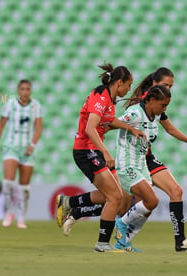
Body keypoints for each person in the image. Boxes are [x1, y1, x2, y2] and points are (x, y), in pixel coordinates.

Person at [64, 67, 187, 252]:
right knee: (121, 203)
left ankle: (178, 240)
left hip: (146, 159)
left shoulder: (160, 104)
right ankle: (82, 213)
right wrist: (108, 144)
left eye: (171, 86)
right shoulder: (143, 106)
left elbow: (169, 128)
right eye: (165, 85)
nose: (169, 89)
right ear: (154, 84)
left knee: (169, 193)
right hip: (130, 161)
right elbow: (109, 123)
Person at [55, 63, 146, 253]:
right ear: (119, 83)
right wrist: (105, 151)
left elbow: (109, 121)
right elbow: (90, 128)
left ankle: (69, 203)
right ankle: (102, 243)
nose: (129, 89)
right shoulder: (101, 96)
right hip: (85, 150)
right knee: (115, 196)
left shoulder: (110, 100)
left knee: (116, 196)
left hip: (93, 150)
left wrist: (130, 128)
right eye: (128, 85)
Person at [112, 85, 172, 252]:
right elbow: (111, 122)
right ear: (151, 100)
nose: (164, 109)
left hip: (141, 165)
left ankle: (123, 243)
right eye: (162, 105)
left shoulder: (155, 116)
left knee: (147, 208)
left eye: (167, 106)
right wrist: (131, 129)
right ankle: (121, 223)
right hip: (127, 165)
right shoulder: (135, 113)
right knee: (152, 200)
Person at [0, 79, 42, 229]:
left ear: (30, 91)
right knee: (8, 184)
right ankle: (8, 213)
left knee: (24, 187)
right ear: (18, 90)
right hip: (11, 146)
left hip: (27, 149)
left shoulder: (35, 106)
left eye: (27, 89)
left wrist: (32, 145)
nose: (25, 92)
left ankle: (21, 217)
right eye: (22, 89)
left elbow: (38, 128)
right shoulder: (10, 104)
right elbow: (0, 126)